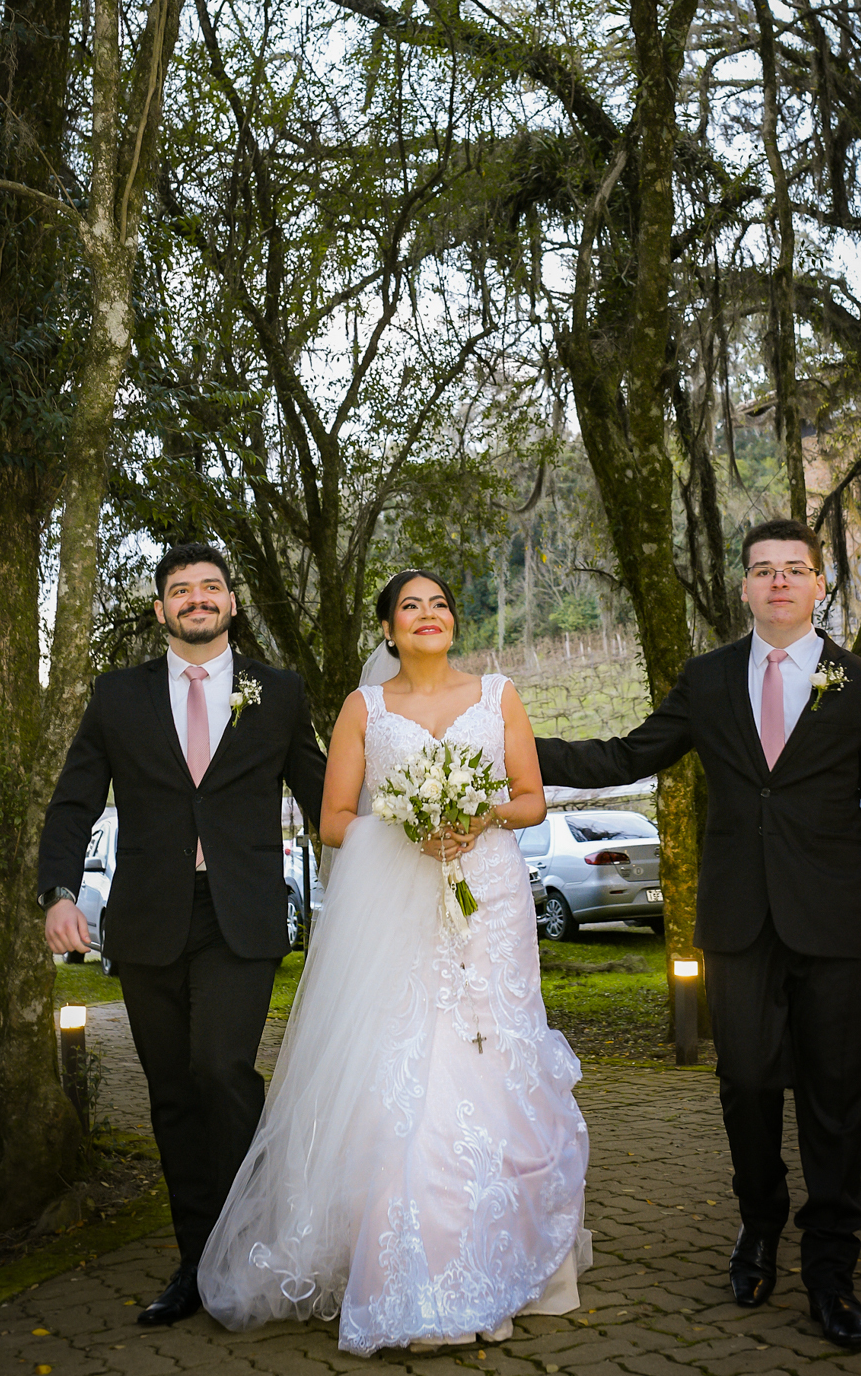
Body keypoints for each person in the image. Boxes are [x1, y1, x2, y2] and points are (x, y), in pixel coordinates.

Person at [534, 519, 861, 1354]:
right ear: (742, 588)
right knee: (744, 1080)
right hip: (739, 919)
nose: (779, 583)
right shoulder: (706, 682)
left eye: (795, 570)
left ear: (819, 586)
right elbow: (629, 751)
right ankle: (759, 1224)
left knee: (835, 1092)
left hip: (837, 922)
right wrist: (513, 744)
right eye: (763, 571)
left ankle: (830, 1265)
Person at [198, 570, 591, 1355]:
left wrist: (476, 815)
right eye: (410, 607)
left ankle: (508, 1258)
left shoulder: (499, 695)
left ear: (454, 620)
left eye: (440, 603)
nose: (427, 615)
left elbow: (531, 799)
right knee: (415, 1071)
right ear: (388, 630)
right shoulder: (363, 710)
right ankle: (416, 1275)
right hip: (400, 909)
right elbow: (338, 820)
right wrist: (406, 824)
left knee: (494, 1059)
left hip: (491, 903)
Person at [37, 542, 325, 1327]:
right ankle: (197, 1265)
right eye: (180, 590)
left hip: (241, 915)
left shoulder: (280, 692)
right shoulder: (117, 698)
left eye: (210, 587)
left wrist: (404, 834)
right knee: (172, 1094)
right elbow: (73, 803)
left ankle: (247, 1247)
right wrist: (59, 891)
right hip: (149, 920)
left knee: (221, 1070)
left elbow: (326, 793)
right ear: (161, 609)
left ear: (231, 603)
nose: (197, 598)